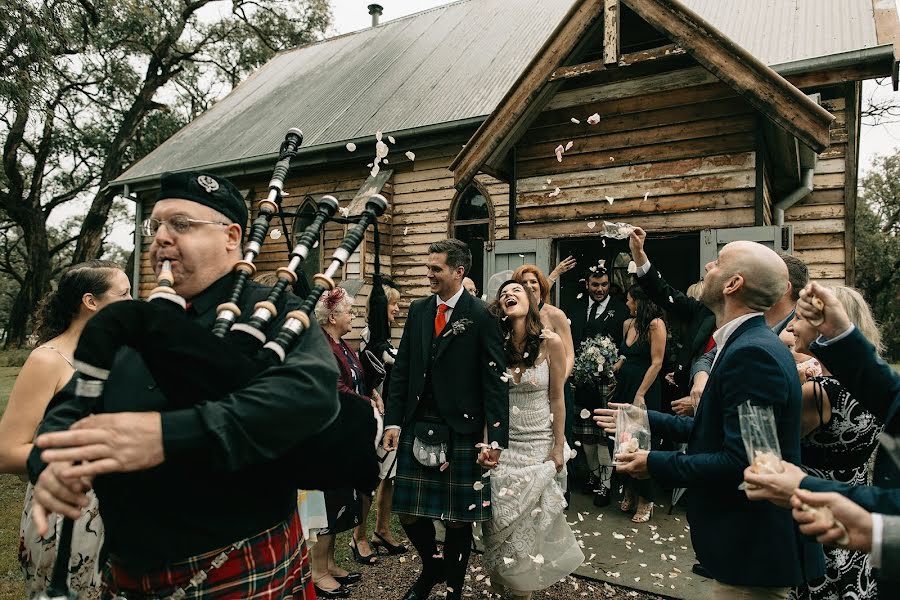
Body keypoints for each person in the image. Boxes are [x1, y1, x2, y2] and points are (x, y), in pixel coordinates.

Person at [27, 171, 340, 598]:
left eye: (181, 224)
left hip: (237, 559)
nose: (160, 237)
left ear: (232, 237)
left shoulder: (277, 310)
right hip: (127, 564)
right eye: (155, 225)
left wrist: (167, 436)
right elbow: (69, 405)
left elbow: (308, 396)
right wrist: (50, 464)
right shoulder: (135, 320)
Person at [597, 236, 824, 599]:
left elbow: (743, 462)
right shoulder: (747, 343)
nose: (707, 267)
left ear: (734, 285)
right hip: (746, 550)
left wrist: (653, 462)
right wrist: (647, 418)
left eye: (717, 262)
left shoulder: (754, 355)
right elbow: (729, 434)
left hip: (752, 551)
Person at [382, 238, 508, 600]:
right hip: (418, 422)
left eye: (436, 268)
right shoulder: (420, 310)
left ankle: (453, 585)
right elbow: (402, 370)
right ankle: (431, 566)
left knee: (458, 518)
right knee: (407, 511)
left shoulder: (482, 315)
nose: (429, 275)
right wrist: (393, 422)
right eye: (429, 268)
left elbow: (495, 383)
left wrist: (495, 440)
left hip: (464, 429)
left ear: (459, 271)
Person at [0, 260, 130, 598]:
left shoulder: (120, 354)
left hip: (123, 508)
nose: (133, 302)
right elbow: (6, 451)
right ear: (91, 302)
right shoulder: (49, 360)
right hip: (67, 508)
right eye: (124, 294)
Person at [482, 280, 583, 599]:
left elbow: (557, 398)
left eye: (517, 290)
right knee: (499, 527)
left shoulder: (550, 342)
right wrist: (487, 443)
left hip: (538, 445)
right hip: (504, 446)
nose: (509, 294)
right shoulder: (493, 344)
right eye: (503, 293)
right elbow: (487, 401)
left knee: (526, 533)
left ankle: (521, 592)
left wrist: (557, 445)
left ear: (531, 301)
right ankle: (504, 585)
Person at [314, 288, 370, 597]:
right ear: (333, 317)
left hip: (344, 432)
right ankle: (317, 571)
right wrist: (365, 405)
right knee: (326, 504)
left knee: (339, 503)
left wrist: (371, 393)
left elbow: (356, 378)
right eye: (349, 312)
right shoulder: (321, 345)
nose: (353, 316)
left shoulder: (343, 344)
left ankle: (331, 562)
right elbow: (333, 386)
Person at [570, 265, 628, 506]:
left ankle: (605, 485)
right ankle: (594, 477)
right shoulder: (576, 308)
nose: (600, 289)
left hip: (608, 383)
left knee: (604, 435)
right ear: (587, 285)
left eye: (604, 285)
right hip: (581, 381)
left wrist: (618, 362)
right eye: (595, 285)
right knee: (586, 435)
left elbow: (627, 345)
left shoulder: (621, 310)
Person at [358, 282, 408, 557]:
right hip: (375, 416)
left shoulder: (383, 335)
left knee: (388, 476)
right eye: (393, 304)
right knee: (371, 477)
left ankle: (382, 529)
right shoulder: (372, 336)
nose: (398, 309)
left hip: (389, 415)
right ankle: (359, 536)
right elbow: (396, 361)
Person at [610, 284, 667, 523]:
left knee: (640, 441)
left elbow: (657, 362)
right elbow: (626, 354)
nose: (626, 303)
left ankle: (647, 498)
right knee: (619, 439)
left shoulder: (656, 325)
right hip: (624, 386)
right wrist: (614, 366)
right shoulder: (628, 324)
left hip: (644, 388)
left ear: (640, 301)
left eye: (629, 299)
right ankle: (629, 488)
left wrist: (641, 393)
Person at [512, 264, 574, 375]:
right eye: (523, 283)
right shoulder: (513, 315)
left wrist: (559, 382)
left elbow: (569, 356)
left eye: (533, 282)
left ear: (541, 286)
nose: (529, 286)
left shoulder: (556, 315)